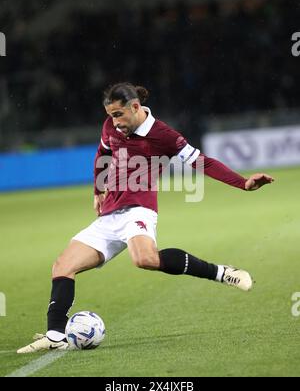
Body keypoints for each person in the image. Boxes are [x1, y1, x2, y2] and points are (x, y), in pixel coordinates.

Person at [17, 83, 274, 353]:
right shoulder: (111, 126)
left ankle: (223, 273)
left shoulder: (163, 135)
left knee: (145, 259)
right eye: (110, 115)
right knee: (62, 266)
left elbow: (202, 161)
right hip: (109, 217)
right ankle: (56, 336)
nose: (114, 122)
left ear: (135, 107)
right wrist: (98, 189)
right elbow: (102, 153)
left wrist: (243, 183)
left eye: (118, 115)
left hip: (139, 209)